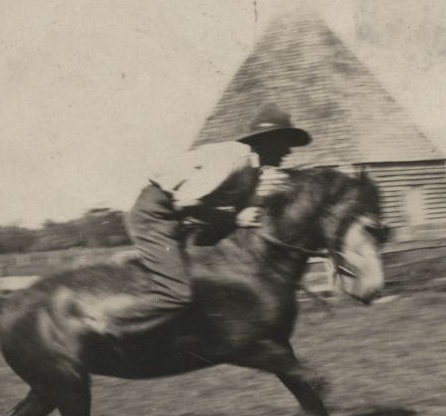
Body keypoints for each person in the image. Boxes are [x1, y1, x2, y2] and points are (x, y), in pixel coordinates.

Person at [114, 103, 312, 336]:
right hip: (156, 214)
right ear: (267, 141)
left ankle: (147, 260)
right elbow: (185, 201)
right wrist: (235, 217)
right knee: (178, 294)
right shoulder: (234, 159)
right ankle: (119, 326)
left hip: (180, 218)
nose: (288, 152)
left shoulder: (253, 169)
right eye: (284, 144)